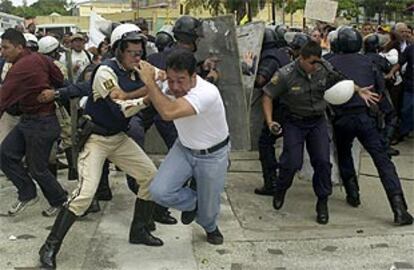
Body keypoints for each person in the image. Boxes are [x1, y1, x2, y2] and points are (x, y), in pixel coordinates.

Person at [38, 23, 164, 269]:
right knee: (84, 195)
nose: (137, 58)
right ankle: (49, 246)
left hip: (118, 138)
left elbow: (163, 76)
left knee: (150, 176)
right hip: (96, 139)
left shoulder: (139, 69)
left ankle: (139, 229)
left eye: (140, 53)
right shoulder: (105, 72)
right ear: (118, 50)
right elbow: (121, 108)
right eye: (132, 53)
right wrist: (151, 94)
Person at [263, 40, 378, 225]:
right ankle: (281, 188)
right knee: (292, 162)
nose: (315, 67)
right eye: (311, 63)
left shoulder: (324, 67)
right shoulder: (285, 74)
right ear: (301, 58)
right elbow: (268, 95)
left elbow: (341, 81)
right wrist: (270, 122)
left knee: (323, 162)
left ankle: (322, 202)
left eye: (318, 62)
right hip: (294, 121)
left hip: (317, 121)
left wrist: (358, 90)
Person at [140, 49, 230, 245]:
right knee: (159, 191)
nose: (175, 87)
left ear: (193, 76)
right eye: (171, 80)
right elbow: (151, 92)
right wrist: (129, 92)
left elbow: (167, 112)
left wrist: (150, 82)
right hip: (184, 147)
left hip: (212, 154)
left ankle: (210, 226)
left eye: (180, 80)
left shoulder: (206, 93)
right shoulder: (170, 84)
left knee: (208, 212)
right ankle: (195, 204)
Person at [328, 27, 413, 226]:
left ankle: (353, 194)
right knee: (383, 163)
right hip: (366, 119)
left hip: (341, 119)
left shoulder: (329, 64)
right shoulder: (369, 62)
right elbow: (381, 95)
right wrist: (387, 133)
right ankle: (399, 208)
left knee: (344, 153)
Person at [0, 28, 67, 217]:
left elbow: (2, 100)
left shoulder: (20, 69)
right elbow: (59, 79)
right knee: (6, 154)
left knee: (37, 168)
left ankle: (61, 201)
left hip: (41, 123)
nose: (2, 52)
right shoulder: (40, 58)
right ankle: (28, 194)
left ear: (19, 47)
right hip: (30, 120)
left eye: (6, 48)